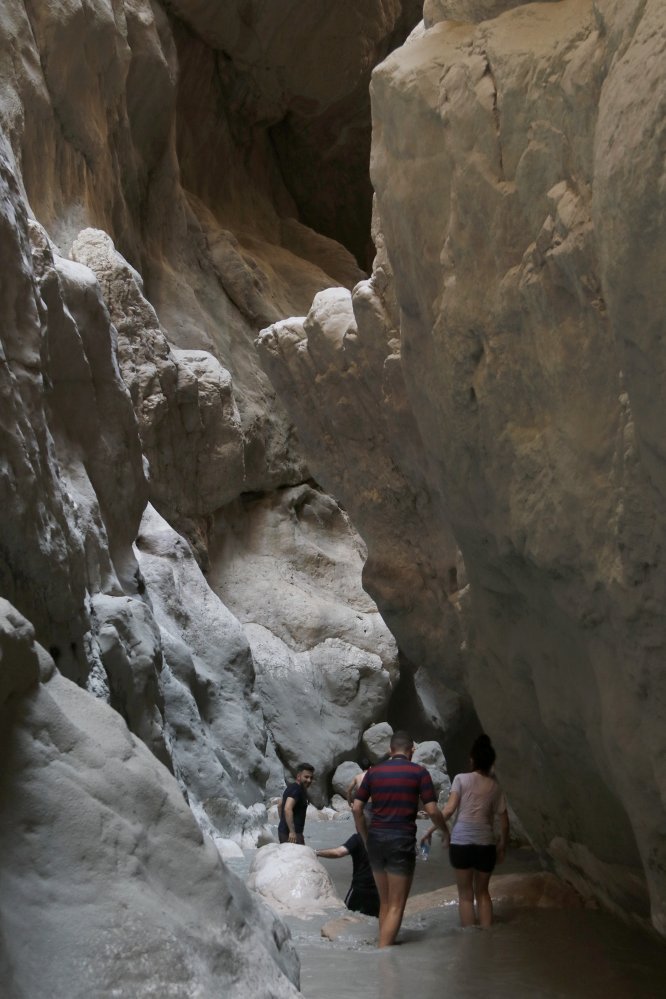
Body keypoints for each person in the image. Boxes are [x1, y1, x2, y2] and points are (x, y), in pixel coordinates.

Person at [352, 730, 449, 947]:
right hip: (401, 842)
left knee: (385, 903)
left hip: (376, 840)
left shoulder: (373, 773)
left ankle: (384, 945)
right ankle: (383, 958)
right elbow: (432, 811)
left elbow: (357, 808)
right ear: (412, 750)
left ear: (390, 749)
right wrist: (445, 831)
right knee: (396, 905)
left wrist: (366, 837)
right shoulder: (419, 773)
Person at [421, 733, 509, 928]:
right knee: (483, 893)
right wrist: (502, 846)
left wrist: (430, 830)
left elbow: (449, 810)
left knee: (466, 896)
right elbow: (504, 821)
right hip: (485, 844)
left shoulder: (461, 779)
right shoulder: (495, 787)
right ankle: (487, 938)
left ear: (472, 760)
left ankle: (470, 941)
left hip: (461, 844)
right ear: (490, 762)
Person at [315, 833, 380, 917]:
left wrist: (316, 852)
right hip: (380, 891)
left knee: (347, 918)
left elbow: (338, 852)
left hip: (359, 890)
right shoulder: (386, 839)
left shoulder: (357, 838)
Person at [278, 762, 315, 844]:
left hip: (286, 832)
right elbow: (287, 808)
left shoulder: (291, 787)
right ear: (299, 776)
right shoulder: (297, 790)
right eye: (306, 777)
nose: (309, 780)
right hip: (292, 835)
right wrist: (291, 831)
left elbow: (280, 805)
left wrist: (284, 823)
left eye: (311, 777)